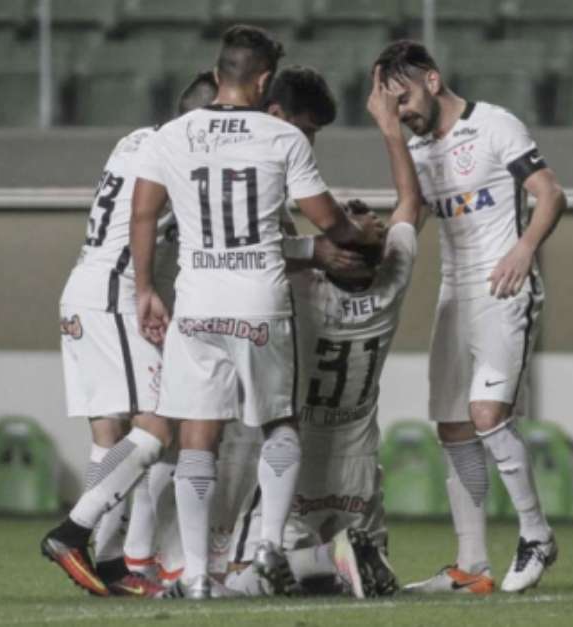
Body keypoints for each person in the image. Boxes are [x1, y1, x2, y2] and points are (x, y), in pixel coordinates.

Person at [129, 25, 384, 600]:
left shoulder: (171, 135)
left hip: (196, 303)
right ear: (265, 80)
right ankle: (269, 544)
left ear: (219, 72)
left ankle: (194, 575)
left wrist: (147, 288)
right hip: (257, 301)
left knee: (197, 437)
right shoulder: (279, 136)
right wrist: (357, 229)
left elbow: (143, 214)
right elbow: (324, 218)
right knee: (278, 423)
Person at [372, 40, 568, 594]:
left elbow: (550, 194)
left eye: (404, 98)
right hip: (454, 294)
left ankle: (536, 535)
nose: (403, 111)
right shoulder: (419, 146)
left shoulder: (496, 125)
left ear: (432, 80)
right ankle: (472, 565)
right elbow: (409, 207)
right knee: (454, 426)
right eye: (392, 105)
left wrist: (525, 248)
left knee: (486, 413)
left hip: (504, 288)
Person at [222, 67, 424, 599]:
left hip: (300, 449)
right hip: (357, 456)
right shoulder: (391, 286)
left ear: (341, 249)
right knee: (370, 575)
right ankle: (343, 558)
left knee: (258, 574)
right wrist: (389, 130)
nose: (359, 211)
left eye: (358, 216)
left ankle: (325, 559)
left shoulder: (301, 287)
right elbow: (410, 203)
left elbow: (259, 243)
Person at [46, 71, 218, 597]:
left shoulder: (135, 139)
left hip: (84, 291)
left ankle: (111, 560)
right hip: (113, 296)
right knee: (158, 424)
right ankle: (72, 533)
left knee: (110, 437)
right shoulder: (177, 152)